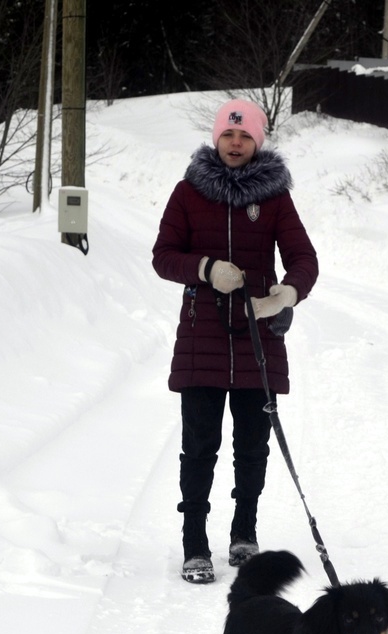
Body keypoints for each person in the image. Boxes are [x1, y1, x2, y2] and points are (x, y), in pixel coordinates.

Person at [152, 99, 318, 584]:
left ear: (258, 141)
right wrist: (205, 269)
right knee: (199, 447)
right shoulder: (187, 192)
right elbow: (164, 256)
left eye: (245, 136)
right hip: (201, 336)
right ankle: (195, 544)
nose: (236, 143)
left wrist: (287, 294)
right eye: (229, 134)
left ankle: (244, 533)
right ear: (216, 138)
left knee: (252, 447)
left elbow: (304, 258)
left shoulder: (275, 198)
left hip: (256, 340)